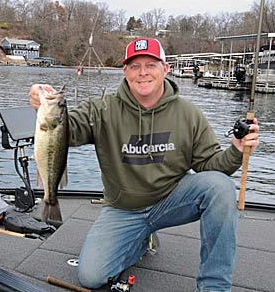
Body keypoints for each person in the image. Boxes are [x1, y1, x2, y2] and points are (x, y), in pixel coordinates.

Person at [29, 37, 260, 292]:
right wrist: (42, 99)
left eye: (150, 64)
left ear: (165, 68)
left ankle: (214, 287)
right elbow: (65, 130)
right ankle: (140, 241)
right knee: (91, 276)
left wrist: (236, 151)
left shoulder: (189, 113)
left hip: (171, 201)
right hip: (123, 209)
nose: (143, 73)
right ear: (125, 71)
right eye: (135, 66)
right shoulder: (102, 109)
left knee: (220, 187)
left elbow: (212, 164)